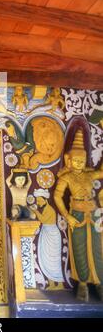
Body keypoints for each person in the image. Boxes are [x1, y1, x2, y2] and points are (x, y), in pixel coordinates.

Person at [54, 129, 103, 301]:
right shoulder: (65, 178)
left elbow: (102, 172)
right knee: (79, 249)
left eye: (82, 160)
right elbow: (57, 196)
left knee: (98, 249)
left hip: (94, 213)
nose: (79, 163)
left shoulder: (90, 174)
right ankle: (83, 283)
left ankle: (99, 282)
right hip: (76, 215)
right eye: (75, 160)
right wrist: (67, 216)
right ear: (69, 160)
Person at [31, 189, 64, 289]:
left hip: (52, 234)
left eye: (40, 200)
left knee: (53, 260)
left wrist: (35, 211)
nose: (38, 202)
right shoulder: (45, 209)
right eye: (37, 201)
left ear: (46, 200)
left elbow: (43, 219)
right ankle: (51, 283)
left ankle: (60, 284)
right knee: (45, 258)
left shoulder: (50, 210)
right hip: (46, 232)